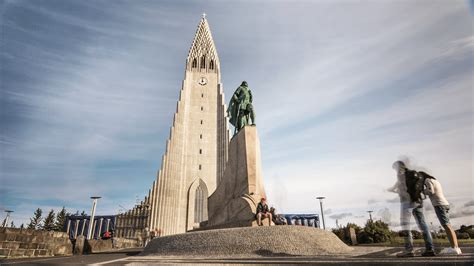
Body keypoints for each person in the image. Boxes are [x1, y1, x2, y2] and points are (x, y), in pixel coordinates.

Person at [389, 161, 435, 257]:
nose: (395, 170)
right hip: (418, 201)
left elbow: (397, 187)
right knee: (423, 225)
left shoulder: (401, 175)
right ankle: (430, 249)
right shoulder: (414, 174)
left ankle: (409, 250)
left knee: (405, 225)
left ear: (399, 167)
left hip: (407, 203)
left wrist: (395, 191)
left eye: (395, 168)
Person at [419, 171, 462, 255]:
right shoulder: (435, 180)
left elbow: (430, 191)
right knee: (448, 226)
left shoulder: (427, 180)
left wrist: (422, 191)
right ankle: (456, 247)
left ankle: (454, 248)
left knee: (446, 226)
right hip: (444, 203)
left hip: (439, 205)